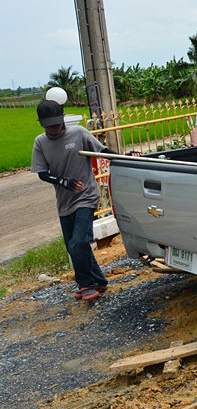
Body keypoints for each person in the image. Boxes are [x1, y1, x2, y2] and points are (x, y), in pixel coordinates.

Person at [31, 100, 111, 301]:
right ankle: (99, 281)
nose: (53, 129)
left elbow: (101, 151)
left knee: (79, 242)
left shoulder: (79, 133)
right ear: (42, 124)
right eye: (48, 126)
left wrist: (124, 159)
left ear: (63, 119)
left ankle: (85, 285)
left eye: (56, 124)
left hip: (87, 196)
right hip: (65, 202)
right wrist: (63, 181)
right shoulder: (40, 142)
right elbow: (42, 173)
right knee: (73, 246)